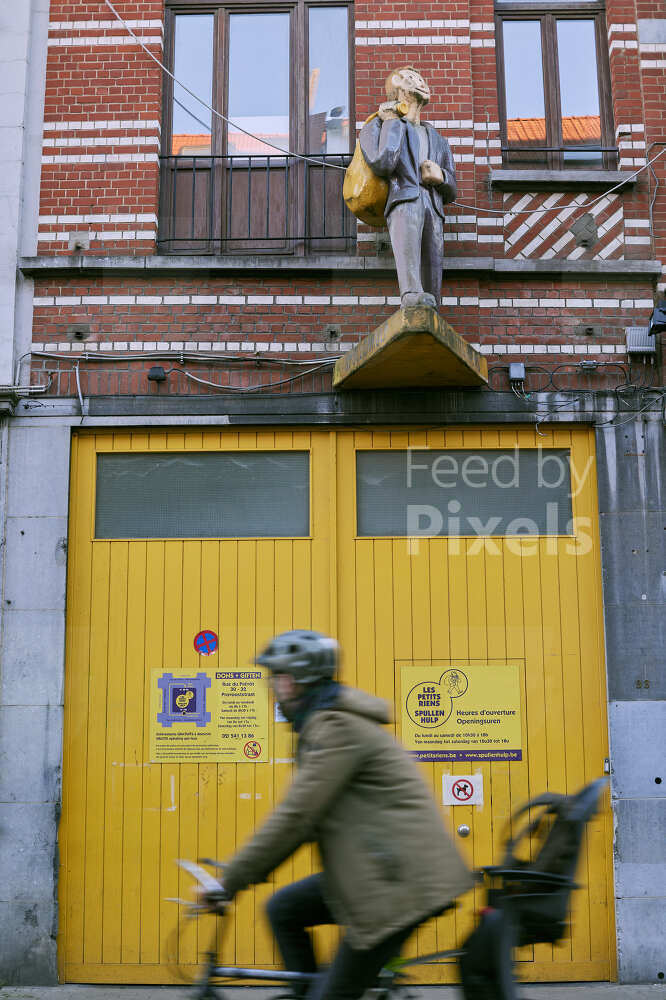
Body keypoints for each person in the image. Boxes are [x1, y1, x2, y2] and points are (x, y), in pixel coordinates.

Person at [206, 629, 473, 1000]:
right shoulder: (322, 725)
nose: (274, 688)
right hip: (379, 868)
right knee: (283, 909)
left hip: (401, 882)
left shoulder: (338, 728)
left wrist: (229, 881)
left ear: (300, 681)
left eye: (278, 678)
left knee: (335, 994)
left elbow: (297, 816)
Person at [359, 66, 457, 309]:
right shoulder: (376, 126)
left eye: (421, 77)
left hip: (433, 206)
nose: (421, 82)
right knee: (410, 258)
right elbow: (384, 161)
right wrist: (392, 121)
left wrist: (441, 176)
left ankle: (432, 304)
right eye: (413, 78)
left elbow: (453, 188)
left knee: (433, 265)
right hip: (404, 198)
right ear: (399, 88)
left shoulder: (438, 139)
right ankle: (410, 295)